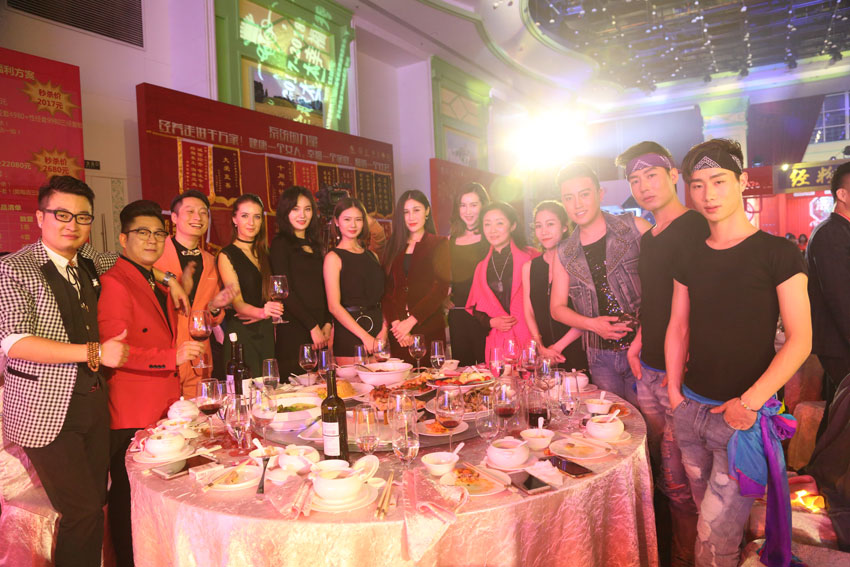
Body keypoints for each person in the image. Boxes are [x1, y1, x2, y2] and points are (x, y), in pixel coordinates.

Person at [666, 139, 811, 567]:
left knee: (713, 540)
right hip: (691, 410)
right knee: (708, 523)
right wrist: (674, 395)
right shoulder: (689, 254)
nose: (708, 194)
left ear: (742, 181)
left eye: (719, 181)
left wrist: (748, 404)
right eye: (697, 185)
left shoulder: (778, 253)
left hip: (742, 419)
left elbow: (801, 339)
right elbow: (678, 326)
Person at [0, 175, 129, 567]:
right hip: (43, 410)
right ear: (40, 217)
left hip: (92, 403)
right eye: (61, 214)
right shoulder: (14, 268)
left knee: (96, 503)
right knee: (82, 512)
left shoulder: (88, 259)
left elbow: (126, 259)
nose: (72, 224)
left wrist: (168, 278)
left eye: (82, 217)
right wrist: (95, 351)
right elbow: (14, 342)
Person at [98, 200, 204, 567]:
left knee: (152, 497)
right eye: (142, 233)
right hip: (131, 408)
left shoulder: (152, 278)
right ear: (123, 238)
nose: (152, 240)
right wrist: (170, 357)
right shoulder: (114, 282)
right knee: (129, 498)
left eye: (159, 234)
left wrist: (170, 279)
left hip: (159, 404)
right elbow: (115, 351)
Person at [615, 142, 706, 567]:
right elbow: (655, 299)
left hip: (678, 375)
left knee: (685, 482)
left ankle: (691, 559)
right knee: (666, 478)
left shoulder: (695, 227)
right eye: (635, 180)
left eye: (651, 175)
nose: (643, 186)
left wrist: (681, 366)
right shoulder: (650, 237)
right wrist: (638, 341)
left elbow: (702, 303)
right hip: (648, 369)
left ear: (673, 175)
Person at [550, 163, 650, 406]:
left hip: (646, 348)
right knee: (610, 421)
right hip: (599, 356)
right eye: (569, 198)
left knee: (652, 423)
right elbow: (557, 308)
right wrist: (592, 324)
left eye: (584, 194)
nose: (577, 204)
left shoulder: (635, 228)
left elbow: (665, 289)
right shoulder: (564, 252)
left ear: (600, 193)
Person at [154, 190, 235, 397]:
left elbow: (214, 318)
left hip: (199, 356)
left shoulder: (211, 261)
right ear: (174, 217)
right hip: (166, 353)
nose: (198, 218)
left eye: (203, 213)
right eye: (190, 212)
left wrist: (215, 308)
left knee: (198, 412)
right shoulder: (156, 253)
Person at [806, 161, 850, 438]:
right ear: (842, 194)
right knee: (842, 415)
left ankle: (820, 461)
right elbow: (841, 297)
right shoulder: (831, 234)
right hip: (839, 342)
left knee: (838, 413)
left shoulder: (841, 232)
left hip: (839, 341)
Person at [216, 194, 282, 378]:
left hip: (266, 331)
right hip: (242, 333)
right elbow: (237, 303)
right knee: (245, 390)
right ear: (234, 219)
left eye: (257, 216)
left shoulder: (266, 253)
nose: (251, 222)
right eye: (245, 216)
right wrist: (261, 313)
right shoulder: (227, 255)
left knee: (269, 387)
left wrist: (268, 314)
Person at [381, 190, 450, 362]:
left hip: (429, 329)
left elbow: (441, 289)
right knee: (401, 377)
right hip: (398, 335)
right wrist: (397, 325)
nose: (411, 217)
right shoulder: (393, 245)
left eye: (416, 210)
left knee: (430, 376)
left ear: (427, 211)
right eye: (406, 212)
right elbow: (386, 291)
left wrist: (410, 322)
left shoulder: (440, 244)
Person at [269, 186, 331, 377]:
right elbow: (285, 291)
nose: (302, 215)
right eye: (295, 209)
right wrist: (312, 327)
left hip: (321, 329)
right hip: (295, 328)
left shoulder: (316, 244)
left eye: (307, 209)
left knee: (322, 386)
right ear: (285, 211)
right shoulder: (280, 244)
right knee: (297, 388)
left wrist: (327, 323)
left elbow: (325, 288)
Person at [466, 202, 538, 362]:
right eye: (487, 224)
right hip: (498, 342)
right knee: (500, 378)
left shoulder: (532, 256)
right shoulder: (481, 267)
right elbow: (475, 308)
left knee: (530, 376)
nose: (492, 230)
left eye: (499, 223)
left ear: (512, 225)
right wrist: (491, 322)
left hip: (529, 337)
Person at [521, 200, 585, 369]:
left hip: (577, 350)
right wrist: (540, 345)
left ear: (564, 227)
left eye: (550, 224)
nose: (544, 231)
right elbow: (529, 310)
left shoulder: (578, 262)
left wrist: (557, 348)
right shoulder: (529, 267)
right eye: (538, 226)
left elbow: (588, 314)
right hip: (544, 354)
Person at [323, 197, 387, 364]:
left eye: (358, 219)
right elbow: (334, 306)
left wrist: (384, 329)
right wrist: (365, 337)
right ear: (336, 222)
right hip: (350, 334)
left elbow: (383, 297)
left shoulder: (372, 255)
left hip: (378, 331)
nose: (353, 225)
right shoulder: (333, 258)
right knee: (356, 381)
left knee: (385, 380)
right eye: (347, 219)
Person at [448, 183, 491, 365]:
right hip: (458, 315)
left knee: (489, 370)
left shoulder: (491, 237)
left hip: (486, 315)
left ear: (483, 206)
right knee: (462, 373)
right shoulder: (451, 240)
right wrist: (443, 297)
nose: (468, 211)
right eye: (463, 205)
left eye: (473, 205)